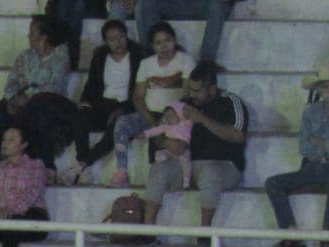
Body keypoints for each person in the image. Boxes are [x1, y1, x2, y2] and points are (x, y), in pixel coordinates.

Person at [141, 61, 245, 231]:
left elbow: (238, 135)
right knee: (159, 169)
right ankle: (147, 230)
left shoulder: (231, 102)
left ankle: (204, 232)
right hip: (186, 164)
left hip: (224, 166)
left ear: (211, 89)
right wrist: (167, 142)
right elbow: (159, 130)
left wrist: (202, 119)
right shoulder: (183, 104)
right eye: (190, 89)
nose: (192, 94)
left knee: (210, 172)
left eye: (197, 91)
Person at [62, 19, 144, 187]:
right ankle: (82, 160)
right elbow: (92, 84)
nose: (118, 42)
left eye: (121, 37)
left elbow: (140, 90)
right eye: (112, 39)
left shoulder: (138, 55)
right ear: (106, 41)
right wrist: (85, 100)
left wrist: (123, 109)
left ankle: (82, 165)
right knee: (79, 116)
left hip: (127, 105)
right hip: (103, 104)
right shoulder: (100, 56)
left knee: (117, 125)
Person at [0, 15, 70, 172]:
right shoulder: (24, 57)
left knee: (41, 118)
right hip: (20, 106)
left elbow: (54, 87)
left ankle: (46, 168)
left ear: (45, 36)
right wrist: (14, 100)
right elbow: (11, 83)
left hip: (46, 107)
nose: (28, 36)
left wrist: (29, 99)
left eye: (32, 32)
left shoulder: (60, 56)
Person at [265, 65, 329, 247]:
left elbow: (312, 144)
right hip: (312, 166)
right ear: (319, 89)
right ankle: (290, 232)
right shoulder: (311, 112)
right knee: (273, 183)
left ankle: (327, 235)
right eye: (326, 87)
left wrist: (322, 143)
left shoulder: (311, 113)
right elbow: (304, 147)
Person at [113, 21, 192, 188]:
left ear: (174, 40)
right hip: (150, 114)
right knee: (122, 124)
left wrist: (171, 116)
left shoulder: (185, 61)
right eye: (158, 42)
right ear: (152, 45)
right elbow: (138, 97)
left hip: (176, 116)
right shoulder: (146, 64)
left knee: (166, 135)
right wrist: (151, 120)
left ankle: (168, 177)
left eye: (168, 40)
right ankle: (122, 171)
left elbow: (188, 95)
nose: (164, 46)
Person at [134, 0, 233, 70]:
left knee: (217, 6)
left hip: (202, 4)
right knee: (144, 5)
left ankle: (207, 61)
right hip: (171, 3)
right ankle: (151, 56)